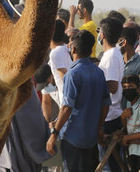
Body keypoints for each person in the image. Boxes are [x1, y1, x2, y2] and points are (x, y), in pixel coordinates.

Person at [45, 30, 111, 172]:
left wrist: (54, 134)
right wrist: (99, 128)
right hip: (91, 138)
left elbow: (67, 108)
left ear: (73, 49)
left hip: (72, 138)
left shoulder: (72, 74)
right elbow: (106, 104)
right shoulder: (98, 72)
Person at [97, 17, 125, 172]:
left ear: (103, 34)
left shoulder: (111, 56)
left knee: (109, 165)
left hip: (110, 115)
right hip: (109, 114)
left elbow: (113, 86)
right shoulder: (111, 54)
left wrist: (93, 85)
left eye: (99, 31)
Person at [120, 75, 140, 172]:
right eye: (124, 87)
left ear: (138, 89)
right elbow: (128, 127)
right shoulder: (129, 104)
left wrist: (126, 138)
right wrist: (123, 118)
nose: (127, 89)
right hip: (132, 150)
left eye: (130, 87)